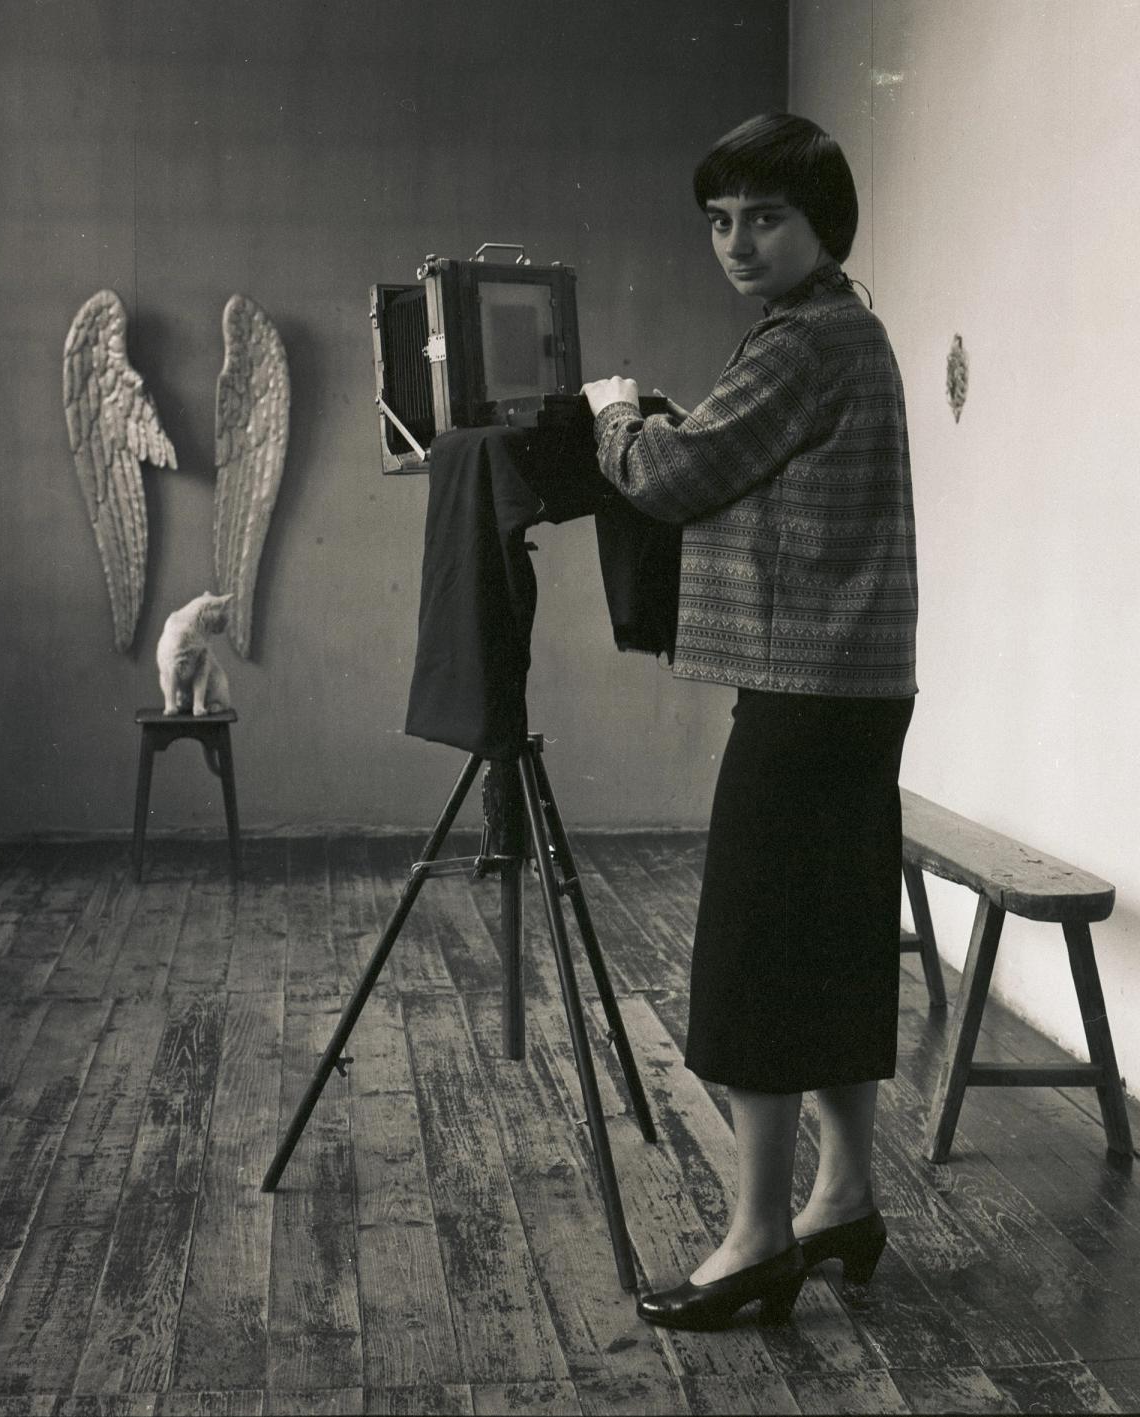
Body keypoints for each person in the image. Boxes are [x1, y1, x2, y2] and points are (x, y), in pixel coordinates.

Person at [581, 112, 918, 1332]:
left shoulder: (802, 343)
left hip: (806, 693)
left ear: (825, 224)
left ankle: (758, 1238)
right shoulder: (851, 330)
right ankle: (844, 1197)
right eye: (719, 221)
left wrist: (615, 409)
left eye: (763, 218)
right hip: (857, 690)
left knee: (749, 965)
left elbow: (672, 477)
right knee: (827, 947)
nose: (735, 242)